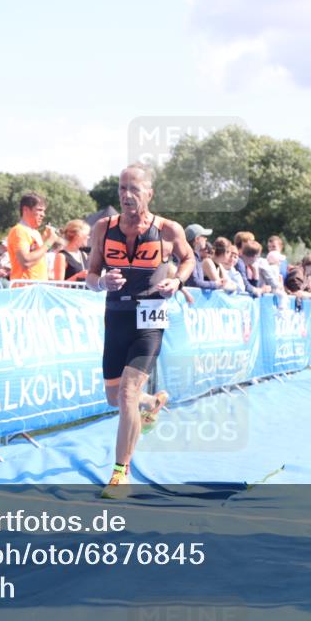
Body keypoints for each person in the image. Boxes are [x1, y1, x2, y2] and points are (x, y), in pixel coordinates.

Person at [85, 163, 195, 499]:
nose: (126, 196)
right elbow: (90, 275)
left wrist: (176, 280)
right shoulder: (104, 228)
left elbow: (188, 259)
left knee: (127, 395)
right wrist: (102, 281)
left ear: (149, 193)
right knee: (114, 397)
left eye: (134, 189)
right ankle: (152, 404)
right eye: (121, 189)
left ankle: (120, 474)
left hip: (150, 316)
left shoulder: (167, 229)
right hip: (116, 315)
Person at [6, 192, 57, 284]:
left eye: (44, 211)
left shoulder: (36, 233)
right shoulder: (19, 231)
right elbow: (25, 262)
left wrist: (45, 240)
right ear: (25, 210)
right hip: (25, 290)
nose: (43, 214)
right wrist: (49, 242)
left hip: (37, 289)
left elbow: (37, 259)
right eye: (39, 210)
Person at [184, 224, 222, 290]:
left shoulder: (194, 256)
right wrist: (215, 284)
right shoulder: (189, 257)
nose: (206, 239)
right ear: (197, 239)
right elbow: (194, 283)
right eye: (203, 237)